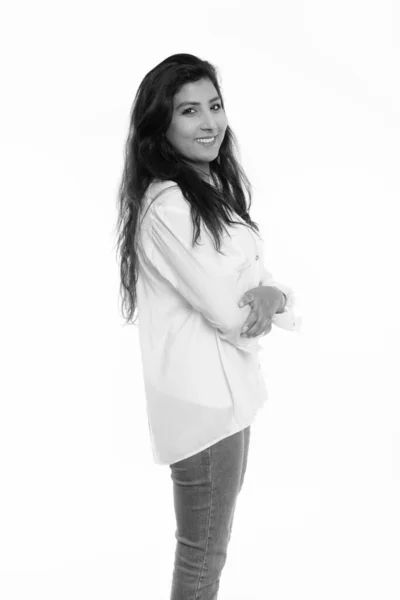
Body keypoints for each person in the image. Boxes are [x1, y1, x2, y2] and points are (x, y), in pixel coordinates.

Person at [115, 53, 301, 599]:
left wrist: (274, 292)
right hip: (205, 407)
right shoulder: (170, 205)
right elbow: (232, 310)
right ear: (161, 127)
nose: (209, 123)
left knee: (206, 556)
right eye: (189, 111)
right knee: (202, 561)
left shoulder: (208, 193)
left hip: (225, 399)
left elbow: (255, 281)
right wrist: (266, 297)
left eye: (214, 106)